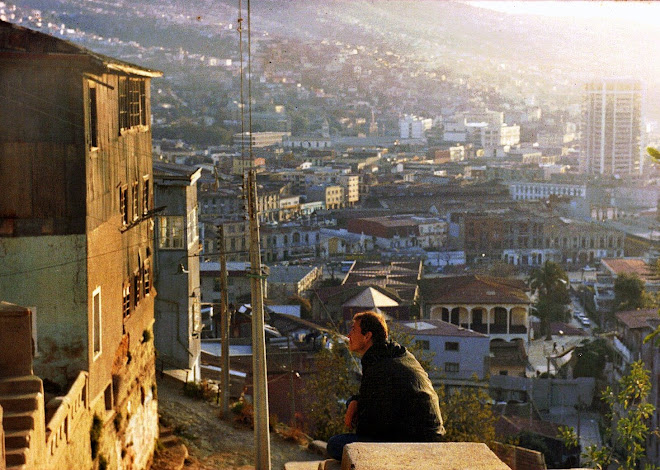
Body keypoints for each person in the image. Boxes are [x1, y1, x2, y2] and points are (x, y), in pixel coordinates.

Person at [326, 311, 445, 461]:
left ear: (367, 336)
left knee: (335, 445)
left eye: (353, 330)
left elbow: (368, 428)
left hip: (414, 445)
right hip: (432, 438)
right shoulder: (398, 355)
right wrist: (356, 402)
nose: (349, 335)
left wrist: (354, 407)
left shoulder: (379, 367)